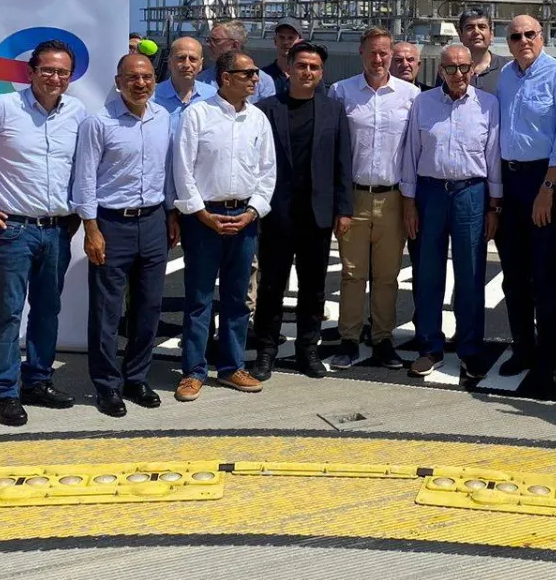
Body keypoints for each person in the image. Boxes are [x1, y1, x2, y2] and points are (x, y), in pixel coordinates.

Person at [0, 38, 87, 427]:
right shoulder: (4, 107)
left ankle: (38, 381)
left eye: (63, 72)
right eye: (47, 70)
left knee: (48, 310)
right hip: (14, 230)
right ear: (30, 73)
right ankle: (6, 391)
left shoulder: (77, 112)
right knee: (9, 312)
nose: (55, 78)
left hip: (59, 230)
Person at [71, 53, 178, 418]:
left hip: (152, 222)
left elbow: (166, 171)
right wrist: (91, 228)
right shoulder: (98, 123)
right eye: (132, 78)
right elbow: (84, 178)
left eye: (147, 77)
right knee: (106, 311)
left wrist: (171, 213)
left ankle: (136, 378)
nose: (141, 83)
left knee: (148, 307)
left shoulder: (162, 118)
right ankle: (106, 386)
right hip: (111, 224)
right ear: (118, 82)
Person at [172, 49, 277, 401]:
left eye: (255, 74)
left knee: (237, 298)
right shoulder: (197, 115)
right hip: (204, 217)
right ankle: (193, 371)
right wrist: (201, 213)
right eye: (247, 74)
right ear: (226, 78)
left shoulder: (259, 119)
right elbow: (182, 169)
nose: (255, 79)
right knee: (199, 297)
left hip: (244, 217)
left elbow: (267, 173)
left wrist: (253, 211)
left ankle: (232, 367)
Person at [253, 42, 353, 379]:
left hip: (317, 214)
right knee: (271, 286)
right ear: (289, 69)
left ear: (321, 72)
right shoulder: (267, 109)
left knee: (314, 287)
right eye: (301, 66)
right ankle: (265, 350)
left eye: (313, 67)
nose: (307, 72)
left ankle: (306, 351)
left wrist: (344, 210)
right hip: (276, 213)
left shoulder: (333, 110)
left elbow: (343, 163)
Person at [401, 44, 501, 380]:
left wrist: (493, 205)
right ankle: (430, 346)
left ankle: (470, 348)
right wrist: (409, 202)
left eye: (463, 68)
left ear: (473, 69)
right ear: (439, 71)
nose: (457, 74)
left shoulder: (488, 105)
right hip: (430, 192)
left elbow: (493, 157)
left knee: (470, 274)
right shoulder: (423, 103)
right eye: (450, 68)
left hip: (471, 193)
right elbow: (410, 155)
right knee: (428, 272)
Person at [495, 14, 556, 395]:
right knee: (513, 274)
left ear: (542, 36)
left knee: (544, 276)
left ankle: (547, 356)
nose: (523, 40)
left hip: (542, 179)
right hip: (510, 179)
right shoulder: (504, 76)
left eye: (530, 34)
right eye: (515, 36)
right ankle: (523, 347)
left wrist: (548, 189)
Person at [329, 27, 418, 370]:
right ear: (361, 54)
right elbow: (336, 150)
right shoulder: (342, 92)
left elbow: (413, 151)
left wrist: (411, 202)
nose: (379, 59)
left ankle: (382, 339)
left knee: (387, 274)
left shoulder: (410, 96)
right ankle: (349, 339)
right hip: (355, 195)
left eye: (384, 53)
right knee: (352, 274)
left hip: (393, 197)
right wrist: (340, 204)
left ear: (391, 54)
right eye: (372, 53)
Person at [198, 20, 277, 103]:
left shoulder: (262, 81)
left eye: (216, 40)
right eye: (209, 40)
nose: (209, 44)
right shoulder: (201, 80)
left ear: (234, 45)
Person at [153, 35, 216, 121]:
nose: (186, 65)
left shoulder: (212, 96)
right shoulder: (152, 98)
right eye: (181, 58)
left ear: (200, 64)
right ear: (169, 62)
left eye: (193, 59)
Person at [457, 7, 507, 94]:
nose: (476, 32)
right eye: (470, 28)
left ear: (491, 34)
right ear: (460, 35)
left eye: (482, 27)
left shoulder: (507, 69)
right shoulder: (449, 68)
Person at [262, 17, 303, 94]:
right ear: (275, 41)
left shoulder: (307, 76)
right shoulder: (263, 76)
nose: (285, 42)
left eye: (291, 38)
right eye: (281, 37)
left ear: (300, 42)